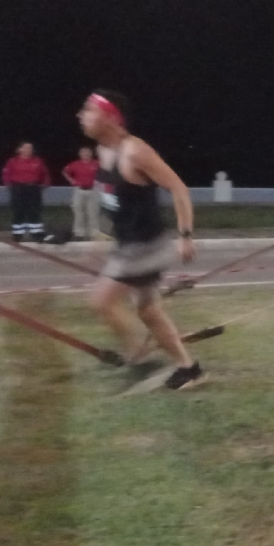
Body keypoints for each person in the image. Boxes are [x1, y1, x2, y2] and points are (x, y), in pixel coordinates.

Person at [77, 90, 203, 390]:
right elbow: (115, 205)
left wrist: (186, 235)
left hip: (147, 248)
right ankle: (186, 367)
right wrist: (100, 241)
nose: (81, 115)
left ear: (110, 117)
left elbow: (179, 188)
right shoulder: (103, 152)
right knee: (148, 311)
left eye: (89, 110)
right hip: (128, 245)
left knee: (101, 301)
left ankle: (139, 356)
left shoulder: (134, 151)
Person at [2, 142, 51, 242]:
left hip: (33, 189)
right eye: (26, 148)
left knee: (34, 211)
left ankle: (37, 233)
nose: (28, 150)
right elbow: (6, 174)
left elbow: (45, 174)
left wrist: (44, 184)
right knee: (18, 211)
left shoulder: (37, 161)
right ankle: (17, 234)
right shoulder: (12, 161)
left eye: (30, 148)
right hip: (18, 188)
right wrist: (10, 186)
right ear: (19, 150)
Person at [62, 146, 103, 240]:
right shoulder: (75, 164)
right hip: (79, 191)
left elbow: (104, 173)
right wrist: (71, 180)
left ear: (91, 154)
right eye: (83, 153)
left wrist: (100, 183)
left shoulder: (97, 164)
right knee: (78, 212)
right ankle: (79, 233)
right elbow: (65, 171)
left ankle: (94, 233)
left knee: (93, 212)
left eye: (88, 152)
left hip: (93, 190)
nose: (86, 155)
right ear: (80, 154)